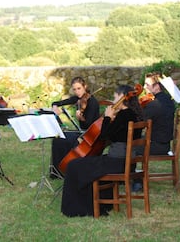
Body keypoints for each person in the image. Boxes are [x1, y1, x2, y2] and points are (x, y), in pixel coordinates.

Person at [61, 84, 143, 217]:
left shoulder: (123, 116)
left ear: (122, 97)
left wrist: (107, 117)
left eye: (115, 96)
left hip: (116, 163)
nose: (113, 99)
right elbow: (116, 136)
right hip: (128, 162)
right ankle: (103, 202)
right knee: (87, 163)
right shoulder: (135, 114)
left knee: (73, 165)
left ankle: (78, 207)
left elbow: (105, 136)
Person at [132, 72, 176, 192]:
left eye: (147, 85)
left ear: (157, 86)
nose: (144, 88)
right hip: (164, 143)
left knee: (130, 148)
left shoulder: (155, 105)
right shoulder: (169, 101)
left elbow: (139, 123)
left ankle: (136, 180)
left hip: (157, 145)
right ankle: (133, 178)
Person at [50, 76, 100, 178]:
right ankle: (57, 172)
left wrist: (80, 118)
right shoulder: (78, 99)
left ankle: (66, 170)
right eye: (74, 89)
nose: (77, 92)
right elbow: (58, 103)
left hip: (89, 135)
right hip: (81, 132)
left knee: (65, 139)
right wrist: (55, 106)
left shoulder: (92, 102)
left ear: (85, 87)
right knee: (58, 138)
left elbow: (88, 124)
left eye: (79, 88)